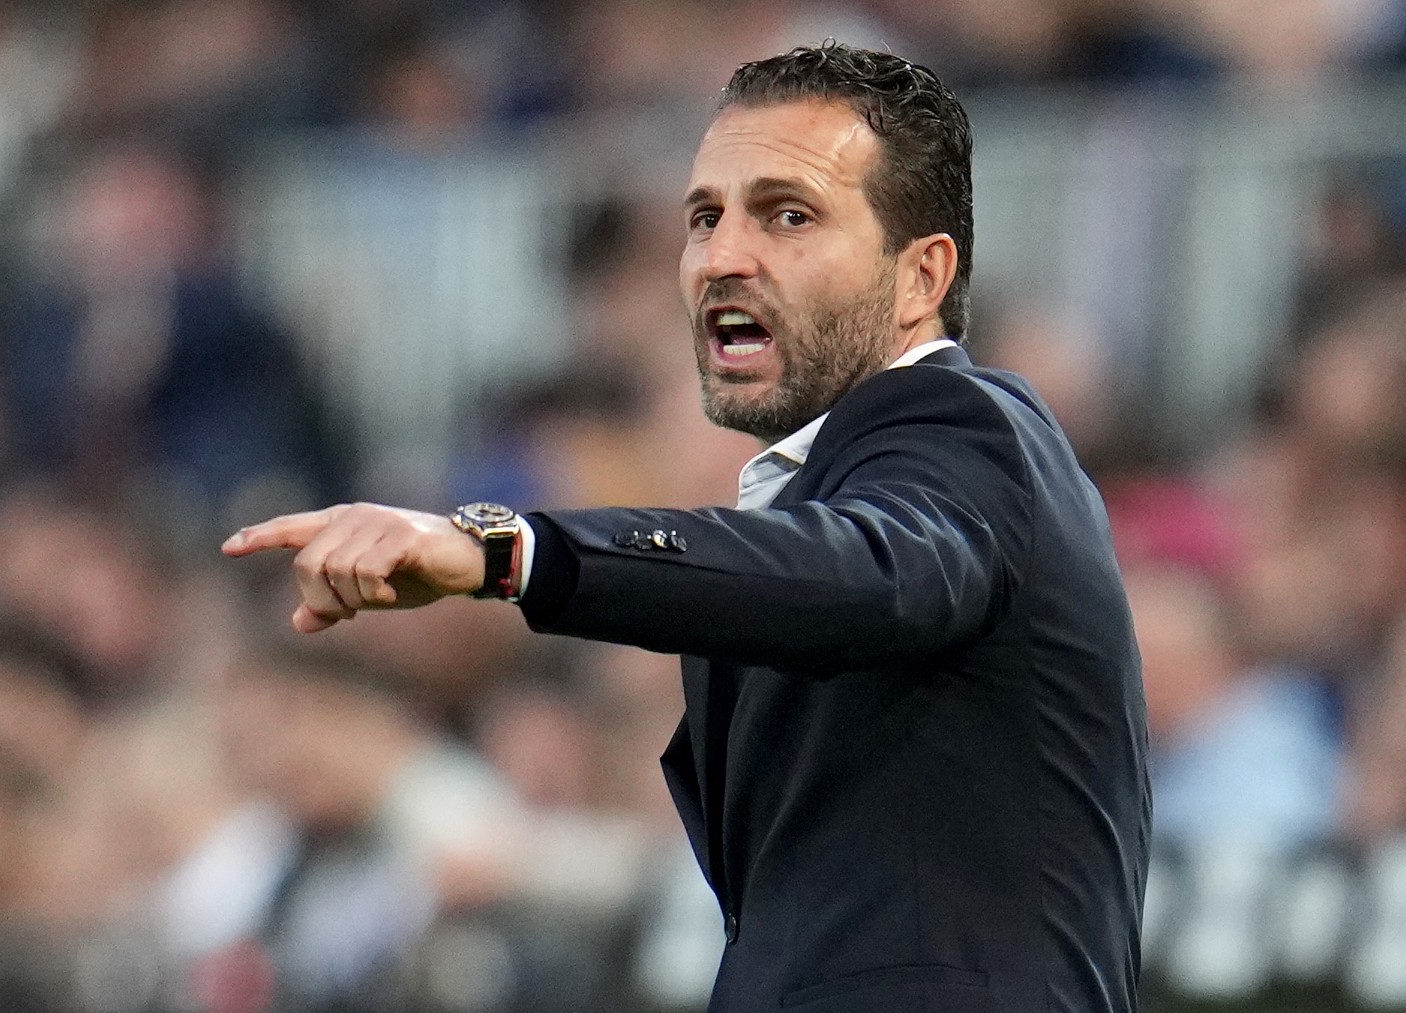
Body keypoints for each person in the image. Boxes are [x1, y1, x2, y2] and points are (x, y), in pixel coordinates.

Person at [225, 42, 1151, 1013]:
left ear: (921, 277)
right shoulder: (807, 505)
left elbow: (874, 572)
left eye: (788, 214)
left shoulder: (973, 428)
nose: (723, 256)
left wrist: (516, 548)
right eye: (704, 216)